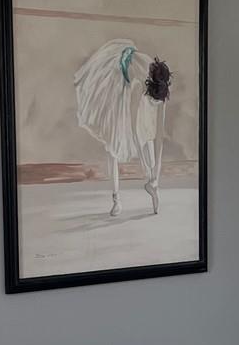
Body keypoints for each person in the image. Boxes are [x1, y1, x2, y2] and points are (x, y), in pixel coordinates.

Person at [73, 38, 172, 217]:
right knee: (114, 141)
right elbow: (136, 126)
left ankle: (152, 183)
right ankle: (116, 198)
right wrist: (147, 164)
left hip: (134, 79)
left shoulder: (160, 83)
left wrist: (155, 174)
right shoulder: (140, 82)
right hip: (116, 77)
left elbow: (158, 132)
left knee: (148, 132)